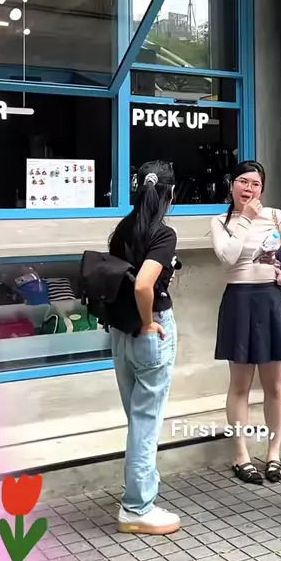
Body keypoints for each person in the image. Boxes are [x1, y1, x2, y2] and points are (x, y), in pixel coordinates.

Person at [211, 160, 281, 484]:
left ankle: (274, 453)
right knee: (240, 385)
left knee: (275, 384)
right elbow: (228, 257)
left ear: (263, 188)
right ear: (231, 184)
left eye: (256, 184)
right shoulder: (220, 221)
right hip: (239, 300)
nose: (249, 189)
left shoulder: (277, 217)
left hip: (273, 301)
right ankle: (241, 455)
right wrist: (246, 218)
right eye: (243, 182)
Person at [108, 160, 181, 535]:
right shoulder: (162, 233)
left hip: (120, 333)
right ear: (171, 194)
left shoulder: (123, 228)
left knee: (137, 418)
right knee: (146, 421)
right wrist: (149, 321)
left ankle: (139, 492)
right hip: (149, 332)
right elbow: (142, 285)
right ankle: (137, 507)